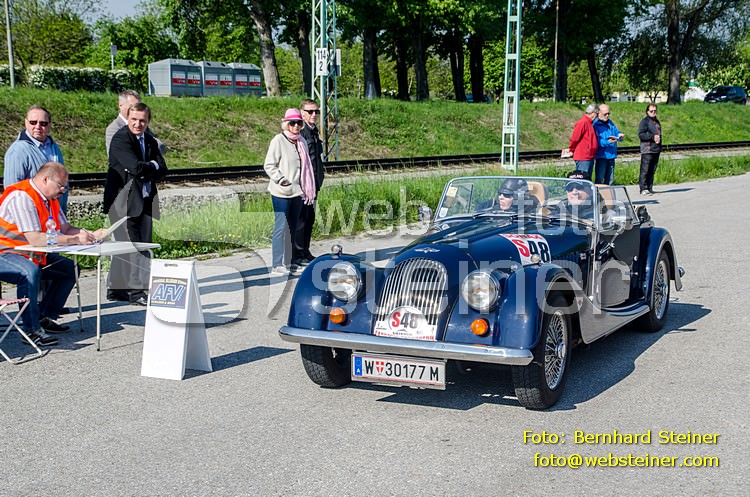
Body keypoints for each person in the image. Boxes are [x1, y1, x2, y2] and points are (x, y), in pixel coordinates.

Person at [0, 162, 103, 346]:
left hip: (31, 253)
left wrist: (89, 234)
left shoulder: (50, 199)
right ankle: (31, 330)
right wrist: (75, 239)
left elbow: (65, 228)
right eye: (61, 185)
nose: (63, 190)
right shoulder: (22, 197)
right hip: (6, 252)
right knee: (29, 273)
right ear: (45, 179)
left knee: (69, 269)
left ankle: (44, 317)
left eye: (65, 186)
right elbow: (36, 239)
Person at [103, 102, 168, 305]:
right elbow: (135, 167)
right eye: (134, 119)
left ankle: (117, 290)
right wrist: (151, 166)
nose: (138, 124)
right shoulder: (121, 139)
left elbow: (163, 169)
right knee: (132, 246)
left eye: (142, 121)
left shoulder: (148, 139)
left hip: (144, 199)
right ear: (128, 118)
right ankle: (135, 291)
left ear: (148, 121)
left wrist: (149, 166)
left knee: (139, 244)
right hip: (123, 201)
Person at [263, 108, 316, 276]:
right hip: (281, 192)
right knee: (281, 227)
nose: (296, 126)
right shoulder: (278, 140)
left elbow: (306, 167)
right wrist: (280, 179)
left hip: (298, 192)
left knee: (293, 228)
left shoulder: (301, 141)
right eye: (292, 123)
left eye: (299, 123)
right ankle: (277, 264)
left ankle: (291, 262)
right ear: (285, 124)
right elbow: (269, 165)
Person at [4, 105, 69, 213]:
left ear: (49, 125)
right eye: (33, 122)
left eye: (43, 123)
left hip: (54, 215)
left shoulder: (54, 147)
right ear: (26, 122)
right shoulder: (18, 151)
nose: (38, 126)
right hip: (31, 216)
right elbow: (12, 190)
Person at [293, 99, 325, 268]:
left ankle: (305, 251)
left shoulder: (313, 131)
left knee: (309, 218)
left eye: (316, 112)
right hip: (305, 184)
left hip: (314, 184)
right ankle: (297, 254)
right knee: (301, 220)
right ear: (302, 113)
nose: (314, 115)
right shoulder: (301, 131)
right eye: (310, 111)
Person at [105, 89, 165, 157]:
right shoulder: (113, 128)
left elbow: (160, 146)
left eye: (138, 106)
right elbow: (117, 154)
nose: (136, 109)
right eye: (132, 106)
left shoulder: (142, 125)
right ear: (120, 105)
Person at [562, 104, 599, 177]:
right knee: (582, 178)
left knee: (587, 178)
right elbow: (575, 138)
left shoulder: (590, 123)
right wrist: (571, 150)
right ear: (593, 113)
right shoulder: (583, 122)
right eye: (597, 114)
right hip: (583, 157)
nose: (597, 117)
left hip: (589, 156)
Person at [592, 104, 624, 185]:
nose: (607, 116)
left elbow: (616, 132)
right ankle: (599, 193)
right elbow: (595, 141)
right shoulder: (595, 125)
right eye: (605, 114)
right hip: (602, 156)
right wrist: (608, 142)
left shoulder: (610, 123)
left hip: (611, 155)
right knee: (600, 179)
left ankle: (608, 193)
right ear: (599, 113)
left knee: (610, 180)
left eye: (608, 113)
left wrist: (619, 135)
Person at [638, 103, 662, 195]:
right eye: (651, 111)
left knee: (652, 170)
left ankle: (649, 187)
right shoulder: (644, 122)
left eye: (655, 111)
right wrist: (652, 137)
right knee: (645, 169)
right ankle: (643, 188)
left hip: (656, 149)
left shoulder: (657, 121)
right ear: (647, 111)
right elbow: (641, 134)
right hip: (647, 149)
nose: (653, 112)